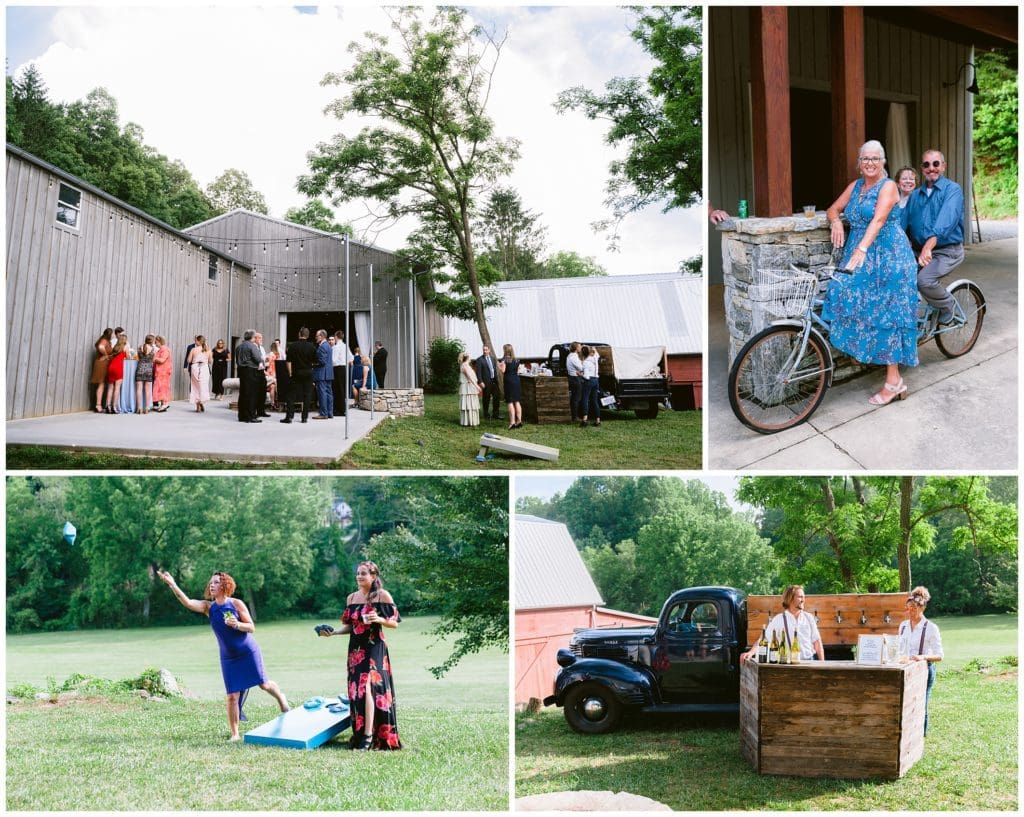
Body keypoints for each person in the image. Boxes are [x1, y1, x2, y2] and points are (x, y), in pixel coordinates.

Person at [824, 139, 918, 406]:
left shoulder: (888, 186)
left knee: (886, 313)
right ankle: (862, 352)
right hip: (860, 254)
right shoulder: (854, 187)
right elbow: (833, 208)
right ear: (859, 162)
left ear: (884, 162)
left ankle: (894, 381)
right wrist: (836, 223)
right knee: (841, 292)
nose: (869, 163)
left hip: (888, 257)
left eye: (875, 158)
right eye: (865, 158)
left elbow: (878, 220)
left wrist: (862, 249)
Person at [157, 570, 289, 741]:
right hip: (228, 658)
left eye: (216, 582)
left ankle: (281, 698)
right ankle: (235, 734)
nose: (212, 585)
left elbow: (251, 627)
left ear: (225, 585)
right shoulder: (209, 607)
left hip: (248, 652)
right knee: (232, 696)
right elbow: (188, 602)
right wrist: (172, 584)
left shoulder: (236, 604)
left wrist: (237, 624)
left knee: (263, 685)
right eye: (211, 583)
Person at [318, 561, 402, 750]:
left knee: (368, 687)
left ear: (373, 576)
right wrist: (334, 633)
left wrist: (379, 619)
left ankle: (368, 737)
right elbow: (351, 626)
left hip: (375, 647)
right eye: (358, 573)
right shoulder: (352, 598)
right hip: (356, 650)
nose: (359, 576)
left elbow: (394, 622)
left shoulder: (382, 595)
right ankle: (362, 734)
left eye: (363, 573)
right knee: (358, 691)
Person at [902, 149, 965, 326]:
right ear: (922, 169)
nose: (931, 168)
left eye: (936, 163)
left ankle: (948, 305)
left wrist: (928, 246)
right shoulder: (914, 196)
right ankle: (911, 318)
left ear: (943, 166)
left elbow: (947, 220)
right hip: (919, 251)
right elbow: (901, 224)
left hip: (946, 251)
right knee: (897, 276)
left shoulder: (953, 190)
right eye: (926, 164)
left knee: (924, 281)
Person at [898, 586, 943, 736]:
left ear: (922, 608)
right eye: (908, 608)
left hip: (925, 670)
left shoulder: (931, 628)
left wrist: (923, 656)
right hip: (906, 670)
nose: (909, 611)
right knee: (907, 703)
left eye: (913, 608)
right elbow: (900, 647)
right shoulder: (903, 626)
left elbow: (939, 656)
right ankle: (909, 735)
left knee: (921, 703)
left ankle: (921, 736)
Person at [741, 584, 824, 663]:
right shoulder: (779, 619)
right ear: (790, 598)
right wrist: (751, 653)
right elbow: (764, 639)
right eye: (800, 597)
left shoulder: (808, 618)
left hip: (811, 662)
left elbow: (817, 642)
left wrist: (822, 664)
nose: (803, 600)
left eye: (804, 597)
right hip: (790, 665)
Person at [281, 327, 316, 424]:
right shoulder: (312, 346)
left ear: (299, 334)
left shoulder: (293, 346)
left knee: (291, 395)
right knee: (307, 395)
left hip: (297, 372)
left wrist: (290, 373)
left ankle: (289, 417)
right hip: (308, 372)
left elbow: (288, 362)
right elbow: (315, 361)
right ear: (307, 335)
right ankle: (304, 418)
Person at [235, 330, 262, 423]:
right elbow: (258, 358)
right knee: (252, 394)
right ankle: (250, 416)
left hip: (241, 371)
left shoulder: (239, 347)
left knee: (243, 393)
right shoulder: (252, 346)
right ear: (253, 337)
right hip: (251, 370)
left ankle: (242, 415)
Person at [497, 343, 522, 430]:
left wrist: (498, 365)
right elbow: (518, 371)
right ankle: (519, 421)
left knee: (510, 402)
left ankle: (512, 422)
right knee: (517, 401)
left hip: (509, 381)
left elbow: (503, 371)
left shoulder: (504, 360)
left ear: (505, 350)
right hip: (517, 380)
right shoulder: (517, 360)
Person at [475, 344, 501, 421]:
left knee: (496, 398)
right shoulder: (479, 360)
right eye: (484, 350)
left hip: (494, 381)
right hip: (486, 382)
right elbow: (478, 372)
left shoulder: (493, 359)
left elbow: (494, 370)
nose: (485, 351)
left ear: (489, 350)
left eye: (486, 350)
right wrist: (480, 381)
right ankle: (486, 414)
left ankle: (496, 414)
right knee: (486, 398)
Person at [91, 328, 114, 413]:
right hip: (102, 364)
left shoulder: (102, 339)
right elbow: (101, 347)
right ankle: (98, 405)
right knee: (101, 383)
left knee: (102, 384)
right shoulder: (104, 340)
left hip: (102, 363)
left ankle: (99, 404)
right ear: (109, 335)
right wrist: (106, 355)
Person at [312, 329, 334, 419]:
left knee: (322, 394)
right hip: (328, 373)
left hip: (322, 373)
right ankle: (329, 412)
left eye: (317, 336)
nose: (316, 338)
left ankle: (323, 413)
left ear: (321, 336)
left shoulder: (322, 346)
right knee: (329, 393)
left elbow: (322, 361)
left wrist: (312, 363)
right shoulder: (328, 345)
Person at [578, 345, 601, 428]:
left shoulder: (585, 363)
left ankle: (584, 419)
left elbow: (586, 376)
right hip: (596, 380)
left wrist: (580, 374)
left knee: (585, 399)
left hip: (589, 381)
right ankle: (598, 420)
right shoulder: (594, 358)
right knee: (594, 401)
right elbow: (597, 354)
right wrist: (594, 349)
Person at [188, 335, 212, 413]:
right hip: (204, 368)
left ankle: (197, 406)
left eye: (196, 341)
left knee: (195, 387)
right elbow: (210, 361)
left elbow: (189, 360)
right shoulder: (208, 350)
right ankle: (202, 401)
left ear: (198, 341)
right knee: (203, 386)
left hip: (195, 367)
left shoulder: (193, 349)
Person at [104, 334, 128, 414]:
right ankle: (114, 406)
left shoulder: (115, 347)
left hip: (111, 367)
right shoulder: (125, 347)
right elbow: (127, 357)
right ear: (125, 340)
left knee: (110, 388)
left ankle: (108, 406)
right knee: (117, 388)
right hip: (118, 368)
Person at [458, 352, 482, 427]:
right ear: (468, 358)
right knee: (468, 404)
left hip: (470, 387)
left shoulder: (467, 365)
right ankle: (468, 421)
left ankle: (472, 421)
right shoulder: (464, 366)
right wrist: (477, 386)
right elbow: (469, 377)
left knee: (472, 404)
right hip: (468, 387)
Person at [134, 334, 155, 414]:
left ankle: (139, 408)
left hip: (140, 368)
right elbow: (153, 360)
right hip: (149, 369)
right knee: (148, 390)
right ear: (152, 341)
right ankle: (146, 407)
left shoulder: (140, 347)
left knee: (139, 389)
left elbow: (138, 357)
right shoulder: (153, 349)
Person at [565, 341, 584, 423]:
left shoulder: (570, 356)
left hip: (572, 377)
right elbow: (581, 367)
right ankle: (575, 417)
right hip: (575, 378)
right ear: (576, 348)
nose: (580, 348)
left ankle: (574, 415)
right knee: (576, 398)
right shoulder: (574, 357)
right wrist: (583, 363)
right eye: (579, 346)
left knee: (574, 398)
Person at [152, 335, 172, 412]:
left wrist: (154, 359)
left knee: (162, 388)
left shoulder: (165, 349)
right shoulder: (160, 349)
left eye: (156, 342)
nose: (155, 343)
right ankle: (163, 403)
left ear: (160, 341)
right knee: (160, 388)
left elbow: (162, 360)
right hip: (160, 371)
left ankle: (164, 403)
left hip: (163, 371)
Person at [253, 332, 271, 418]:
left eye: (261, 338)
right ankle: (254, 411)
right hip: (255, 371)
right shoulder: (253, 348)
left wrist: (266, 359)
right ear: (255, 338)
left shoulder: (262, 348)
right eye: (259, 338)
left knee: (262, 391)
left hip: (262, 371)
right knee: (255, 392)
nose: (261, 340)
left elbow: (263, 359)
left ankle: (261, 411)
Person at [332, 331, 348, 416]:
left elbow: (333, 360)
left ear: (336, 337)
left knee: (337, 389)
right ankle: (343, 409)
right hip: (344, 368)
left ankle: (338, 410)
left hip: (337, 368)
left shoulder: (335, 347)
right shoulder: (345, 346)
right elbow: (350, 357)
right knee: (342, 389)